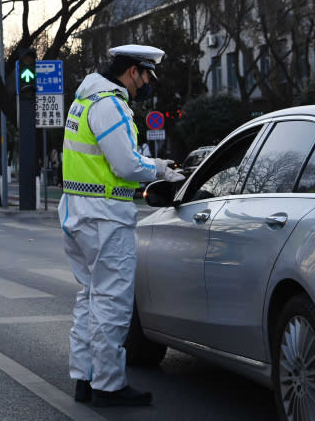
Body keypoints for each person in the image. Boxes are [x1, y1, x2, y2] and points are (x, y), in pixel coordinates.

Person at [58, 44, 185, 407]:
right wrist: (160, 171)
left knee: (89, 299)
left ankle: (83, 378)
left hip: (79, 213)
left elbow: (110, 158)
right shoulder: (110, 104)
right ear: (133, 72)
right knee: (111, 303)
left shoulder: (84, 101)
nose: (146, 84)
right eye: (146, 76)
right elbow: (125, 166)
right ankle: (109, 385)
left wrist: (156, 164)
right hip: (104, 217)